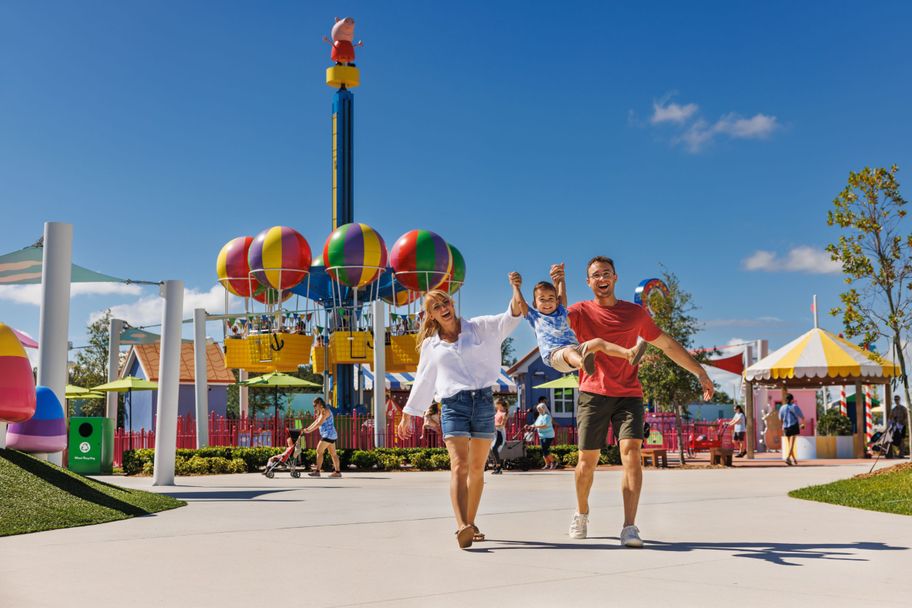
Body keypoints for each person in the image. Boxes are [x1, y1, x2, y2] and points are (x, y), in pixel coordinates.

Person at [554, 258, 713, 548]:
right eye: (595, 275)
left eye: (606, 273)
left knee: (631, 453)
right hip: (592, 393)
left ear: (615, 277)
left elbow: (666, 344)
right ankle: (581, 513)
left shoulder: (634, 313)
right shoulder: (580, 311)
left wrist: (699, 371)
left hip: (629, 394)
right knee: (587, 462)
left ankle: (629, 527)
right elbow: (557, 318)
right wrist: (559, 284)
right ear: (588, 282)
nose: (601, 279)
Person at [397, 275, 523, 549]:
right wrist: (409, 412)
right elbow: (423, 378)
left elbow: (510, 317)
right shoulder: (431, 345)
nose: (443, 308)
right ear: (431, 315)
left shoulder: (479, 327)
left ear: (452, 304)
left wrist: (515, 289)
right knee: (459, 465)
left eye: (445, 302)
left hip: (484, 402)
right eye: (436, 307)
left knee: (477, 468)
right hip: (453, 405)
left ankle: (471, 523)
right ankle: (461, 525)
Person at [514, 266, 647, 374]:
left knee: (598, 342)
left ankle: (629, 354)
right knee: (568, 351)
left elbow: (562, 295)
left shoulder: (560, 312)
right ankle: (583, 363)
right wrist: (516, 287)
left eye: (550, 299)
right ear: (535, 303)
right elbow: (520, 303)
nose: (547, 302)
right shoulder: (535, 317)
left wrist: (561, 280)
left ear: (556, 301)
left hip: (575, 349)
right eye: (542, 299)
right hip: (554, 356)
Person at [302, 398, 341, 477]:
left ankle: (317, 471)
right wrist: (307, 428)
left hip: (328, 434)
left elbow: (319, 424)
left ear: (319, 404)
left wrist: (309, 431)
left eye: (315, 405)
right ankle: (337, 472)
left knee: (319, 451)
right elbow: (315, 422)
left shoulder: (325, 411)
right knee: (333, 454)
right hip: (330, 435)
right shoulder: (321, 412)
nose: (314, 407)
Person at [778, 393, 805, 466]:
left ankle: (793, 459)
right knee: (791, 445)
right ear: (792, 399)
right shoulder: (795, 406)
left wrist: (783, 425)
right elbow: (802, 417)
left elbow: (780, 419)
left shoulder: (782, 408)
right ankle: (787, 457)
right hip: (794, 426)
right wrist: (803, 424)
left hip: (786, 427)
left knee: (790, 445)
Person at [528, 403, 557, 469]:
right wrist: (530, 426)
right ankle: (547, 464)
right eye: (538, 409)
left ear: (543, 409)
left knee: (545, 449)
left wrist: (535, 426)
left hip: (548, 435)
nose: (538, 411)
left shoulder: (547, 416)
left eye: (540, 409)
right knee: (543, 450)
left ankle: (553, 462)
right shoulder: (540, 416)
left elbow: (545, 425)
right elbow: (535, 424)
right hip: (541, 435)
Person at [490, 398, 509, 474]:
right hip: (494, 432)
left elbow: (502, 425)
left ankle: (498, 467)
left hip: (499, 433)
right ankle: (496, 466)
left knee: (494, 448)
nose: (495, 405)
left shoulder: (504, 413)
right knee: (492, 449)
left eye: (496, 404)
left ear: (500, 404)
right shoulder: (498, 411)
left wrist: (493, 426)